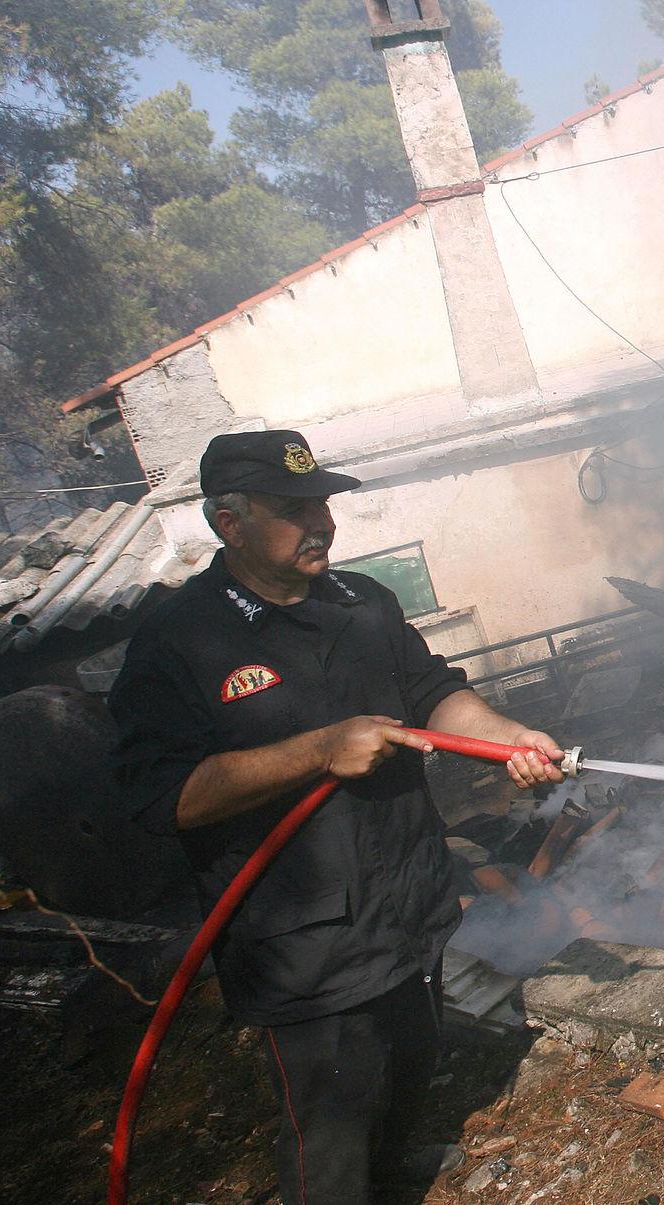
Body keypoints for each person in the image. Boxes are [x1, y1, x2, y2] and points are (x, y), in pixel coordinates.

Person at [110, 429, 565, 1204]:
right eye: (294, 508)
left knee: (407, 1066)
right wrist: (321, 748)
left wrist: (507, 737)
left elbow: (433, 693)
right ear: (230, 521)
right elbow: (166, 796)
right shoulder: (180, 639)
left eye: (323, 502)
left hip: (406, 904)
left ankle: (388, 1176)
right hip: (306, 944)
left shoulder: (364, 604)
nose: (320, 521)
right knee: (330, 1128)